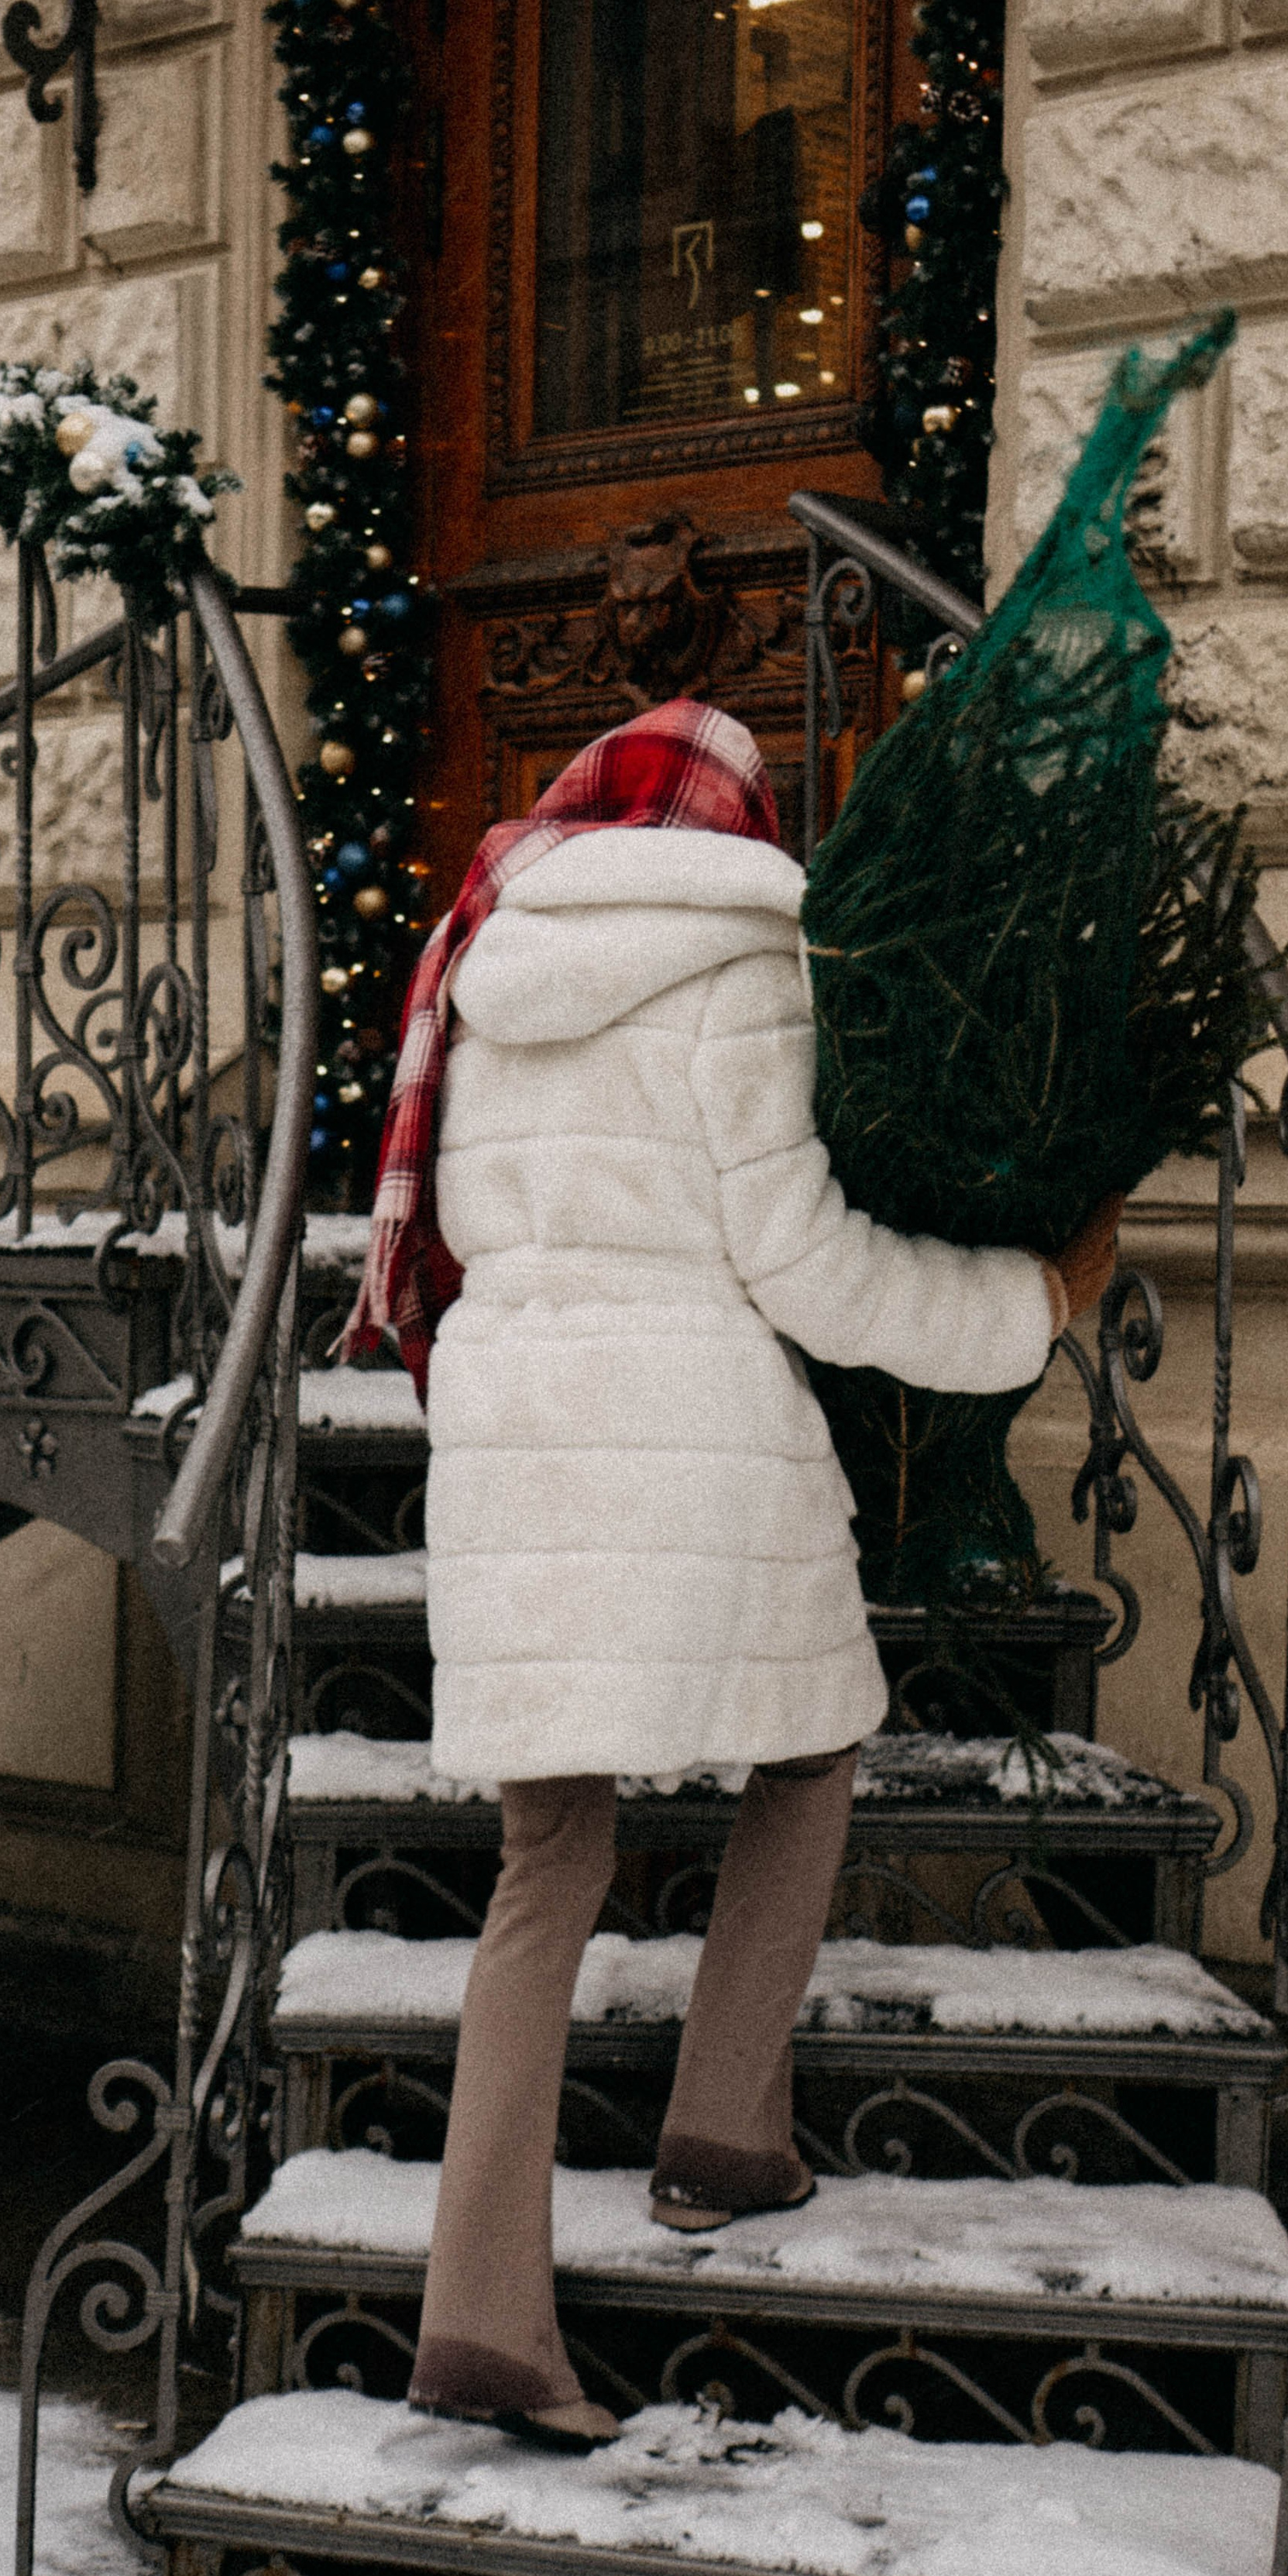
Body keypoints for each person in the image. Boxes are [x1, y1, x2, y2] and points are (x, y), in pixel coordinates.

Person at [342, 699, 1123, 2454]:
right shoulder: (744, 963)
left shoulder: (477, 967)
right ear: (735, 823)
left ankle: (477, 2315)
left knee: (547, 1861)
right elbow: (803, 1259)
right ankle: (718, 2136)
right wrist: (1028, 1306)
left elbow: (453, 1229)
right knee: (816, 1735)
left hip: (513, 1415)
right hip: (687, 1406)